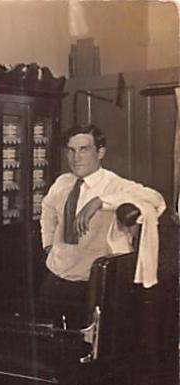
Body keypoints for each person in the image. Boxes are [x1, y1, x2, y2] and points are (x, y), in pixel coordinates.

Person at [39, 124, 165, 302]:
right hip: (56, 273)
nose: (76, 158)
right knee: (47, 317)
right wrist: (48, 244)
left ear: (100, 153)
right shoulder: (63, 182)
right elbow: (47, 210)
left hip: (94, 282)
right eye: (71, 150)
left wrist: (99, 202)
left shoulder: (114, 184)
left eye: (84, 149)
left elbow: (156, 199)